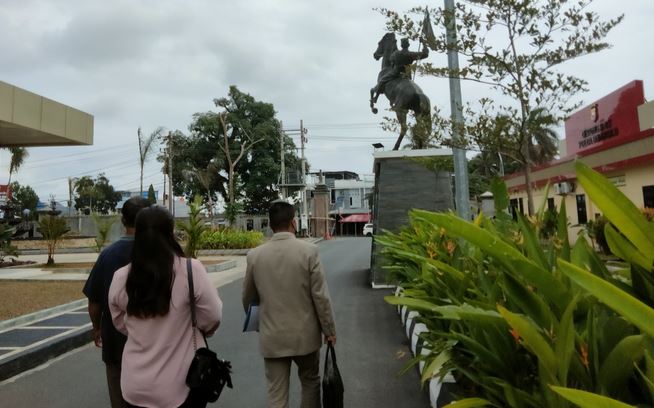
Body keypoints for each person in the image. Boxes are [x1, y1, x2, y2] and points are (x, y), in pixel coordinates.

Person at [108, 206, 222, 408]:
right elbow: (213, 316)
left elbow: (119, 321)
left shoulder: (121, 277)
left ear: (136, 233)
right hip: (181, 386)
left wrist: (141, 331)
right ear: (171, 233)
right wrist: (192, 329)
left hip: (134, 387)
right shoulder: (190, 270)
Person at [243, 200, 336, 408]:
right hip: (306, 336)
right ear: (293, 222)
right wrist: (329, 330)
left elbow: (248, 299)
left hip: (272, 337)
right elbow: (320, 296)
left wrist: (260, 324)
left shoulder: (255, 256)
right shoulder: (309, 252)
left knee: (276, 394)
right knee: (310, 382)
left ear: (270, 223)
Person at [83, 196, 149, 408]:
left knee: (119, 397)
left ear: (123, 221)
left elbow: (94, 301)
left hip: (115, 343)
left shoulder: (107, 256)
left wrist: (96, 328)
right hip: (153, 343)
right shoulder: (160, 254)